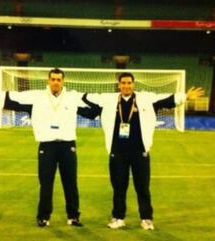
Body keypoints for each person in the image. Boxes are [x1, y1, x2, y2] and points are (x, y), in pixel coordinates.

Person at [0, 68, 91, 228]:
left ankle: (73, 216)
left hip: (67, 145)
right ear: (48, 81)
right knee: (46, 183)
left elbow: (96, 104)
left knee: (70, 183)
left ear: (63, 81)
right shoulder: (36, 97)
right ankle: (43, 217)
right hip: (46, 145)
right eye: (53, 79)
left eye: (59, 79)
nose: (56, 82)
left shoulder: (72, 97)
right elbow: (12, 98)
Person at [86, 72, 204, 230]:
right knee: (119, 187)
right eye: (124, 83)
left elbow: (167, 100)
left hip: (139, 151)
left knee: (142, 187)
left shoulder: (145, 99)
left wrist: (185, 97)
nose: (126, 86)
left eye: (129, 83)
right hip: (117, 151)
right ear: (119, 85)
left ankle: (146, 218)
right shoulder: (109, 100)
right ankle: (118, 218)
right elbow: (87, 98)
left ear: (133, 84)